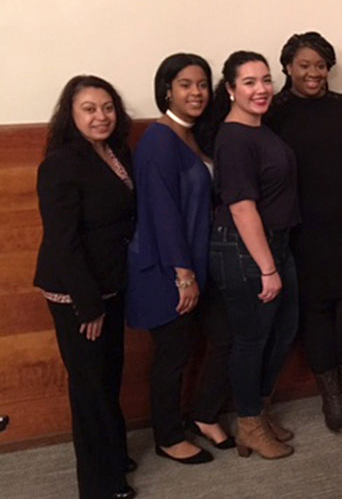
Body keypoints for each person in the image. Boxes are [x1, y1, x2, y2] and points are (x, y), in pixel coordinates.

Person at [266, 32, 342, 435]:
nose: (314, 73)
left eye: (320, 65)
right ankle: (332, 397)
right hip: (304, 230)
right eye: (304, 65)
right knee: (316, 314)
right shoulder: (275, 111)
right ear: (287, 68)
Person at [126, 53, 232, 465]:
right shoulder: (158, 141)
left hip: (198, 263)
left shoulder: (193, 134)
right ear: (166, 89)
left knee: (222, 338)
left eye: (202, 84)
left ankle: (204, 415)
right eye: (185, 84)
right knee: (171, 356)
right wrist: (183, 275)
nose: (196, 92)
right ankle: (168, 437)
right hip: (167, 270)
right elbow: (162, 213)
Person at [34, 75, 136, 499]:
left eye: (107, 107)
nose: (101, 116)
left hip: (112, 284)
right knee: (90, 386)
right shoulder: (60, 163)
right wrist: (88, 305)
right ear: (70, 115)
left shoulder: (116, 152)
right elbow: (63, 241)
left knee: (109, 376)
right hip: (78, 292)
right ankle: (99, 484)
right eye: (89, 109)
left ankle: (112, 453)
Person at [208, 51, 299, 459]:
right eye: (249, 82)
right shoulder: (233, 138)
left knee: (282, 332)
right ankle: (247, 423)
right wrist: (267, 268)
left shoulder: (261, 129)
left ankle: (259, 412)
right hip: (246, 252)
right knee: (252, 340)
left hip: (276, 244)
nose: (261, 89)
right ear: (230, 90)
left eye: (265, 80)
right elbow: (242, 207)